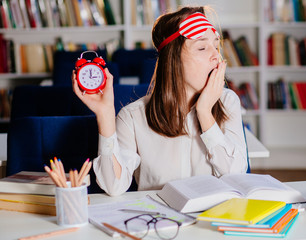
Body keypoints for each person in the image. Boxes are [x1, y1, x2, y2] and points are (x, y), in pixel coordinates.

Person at [72, 6, 248, 196]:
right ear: (173, 59)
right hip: (157, 220)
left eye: (216, 46)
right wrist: (105, 115)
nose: (216, 56)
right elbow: (113, 186)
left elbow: (235, 175)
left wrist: (204, 112)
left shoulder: (228, 102)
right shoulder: (132, 117)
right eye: (202, 47)